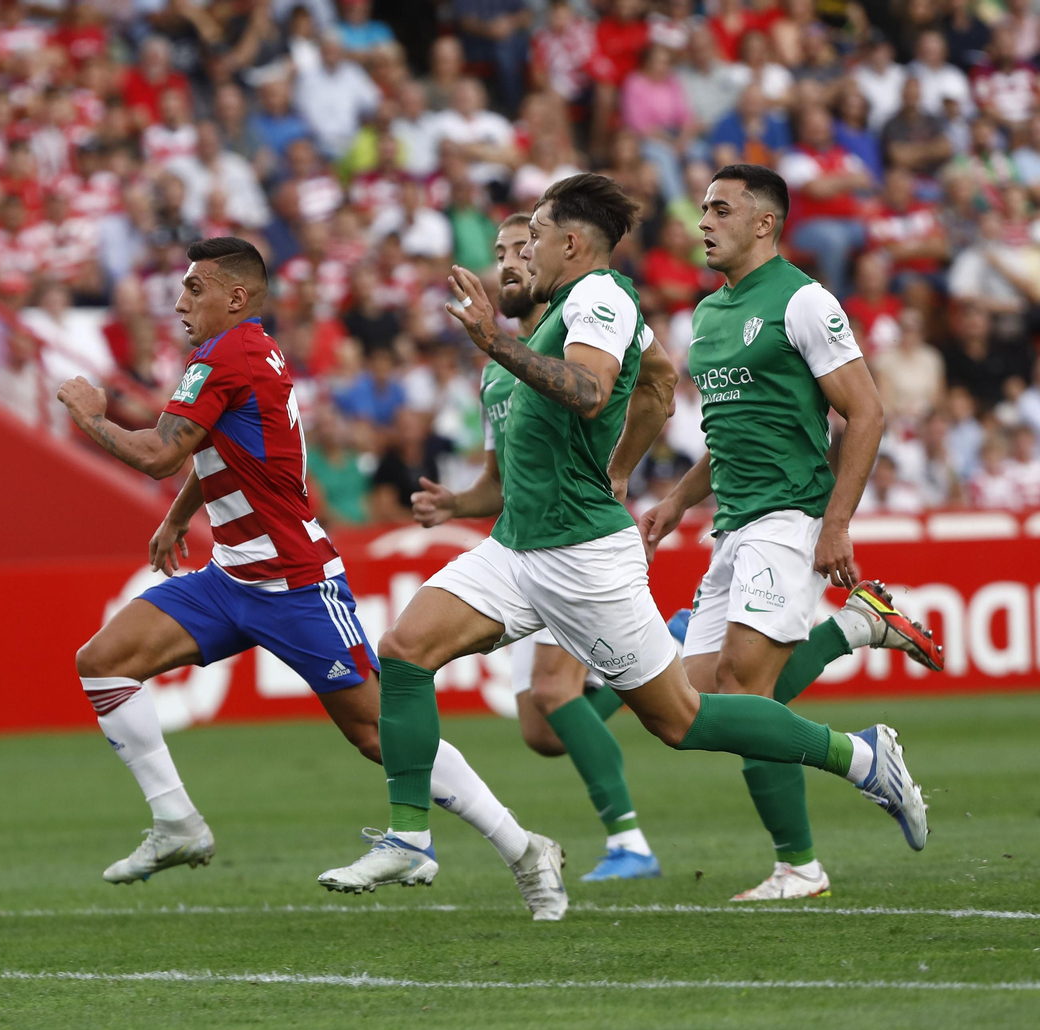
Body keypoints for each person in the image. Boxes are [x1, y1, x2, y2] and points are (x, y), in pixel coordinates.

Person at [321, 173, 931, 902]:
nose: (522, 251)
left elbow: (590, 390)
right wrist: (652, 486)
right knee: (406, 650)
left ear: (571, 242)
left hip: (596, 552)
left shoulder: (604, 298)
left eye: (537, 236)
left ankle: (856, 759)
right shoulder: (648, 315)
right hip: (522, 546)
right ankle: (409, 838)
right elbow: (665, 386)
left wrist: (494, 344)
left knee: (687, 718)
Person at [58, 238, 561, 918]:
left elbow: (158, 453)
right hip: (230, 577)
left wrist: (88, 413)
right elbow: (228, 450)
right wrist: (183, 515)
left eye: (194, 288)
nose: (180, 302)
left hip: (295, 582)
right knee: (104, 663)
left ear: (235, 297)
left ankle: (523, 847)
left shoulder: (226, 355)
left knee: (379, 734)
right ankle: (177, 824)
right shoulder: (241, 352)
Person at [640, 164, 944, 900]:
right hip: (732, 526)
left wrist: (834, 524)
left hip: (790, 520)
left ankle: (816, 834)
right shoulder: (709, 316)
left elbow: (865, 413)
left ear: (764, 223)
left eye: (721, 209)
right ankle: (856, 632)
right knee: (685, 710)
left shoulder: (804, 301)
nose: (704, 221)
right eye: (703, 208)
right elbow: (733, 430)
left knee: (748, 687)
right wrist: (680, 500)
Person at [400, 212, 676, 882]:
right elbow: (499, 487)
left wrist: (620, 471)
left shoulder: (593, 321)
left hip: (579, 542)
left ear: (555, 251)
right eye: (498, 252)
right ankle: (662, 655)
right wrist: (455, 504)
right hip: (521, 547)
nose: (509, 263)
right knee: (542, 730)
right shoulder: (499, 373)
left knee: (557, 694)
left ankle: (630, 842)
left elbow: (658, 381)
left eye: (523, 248)